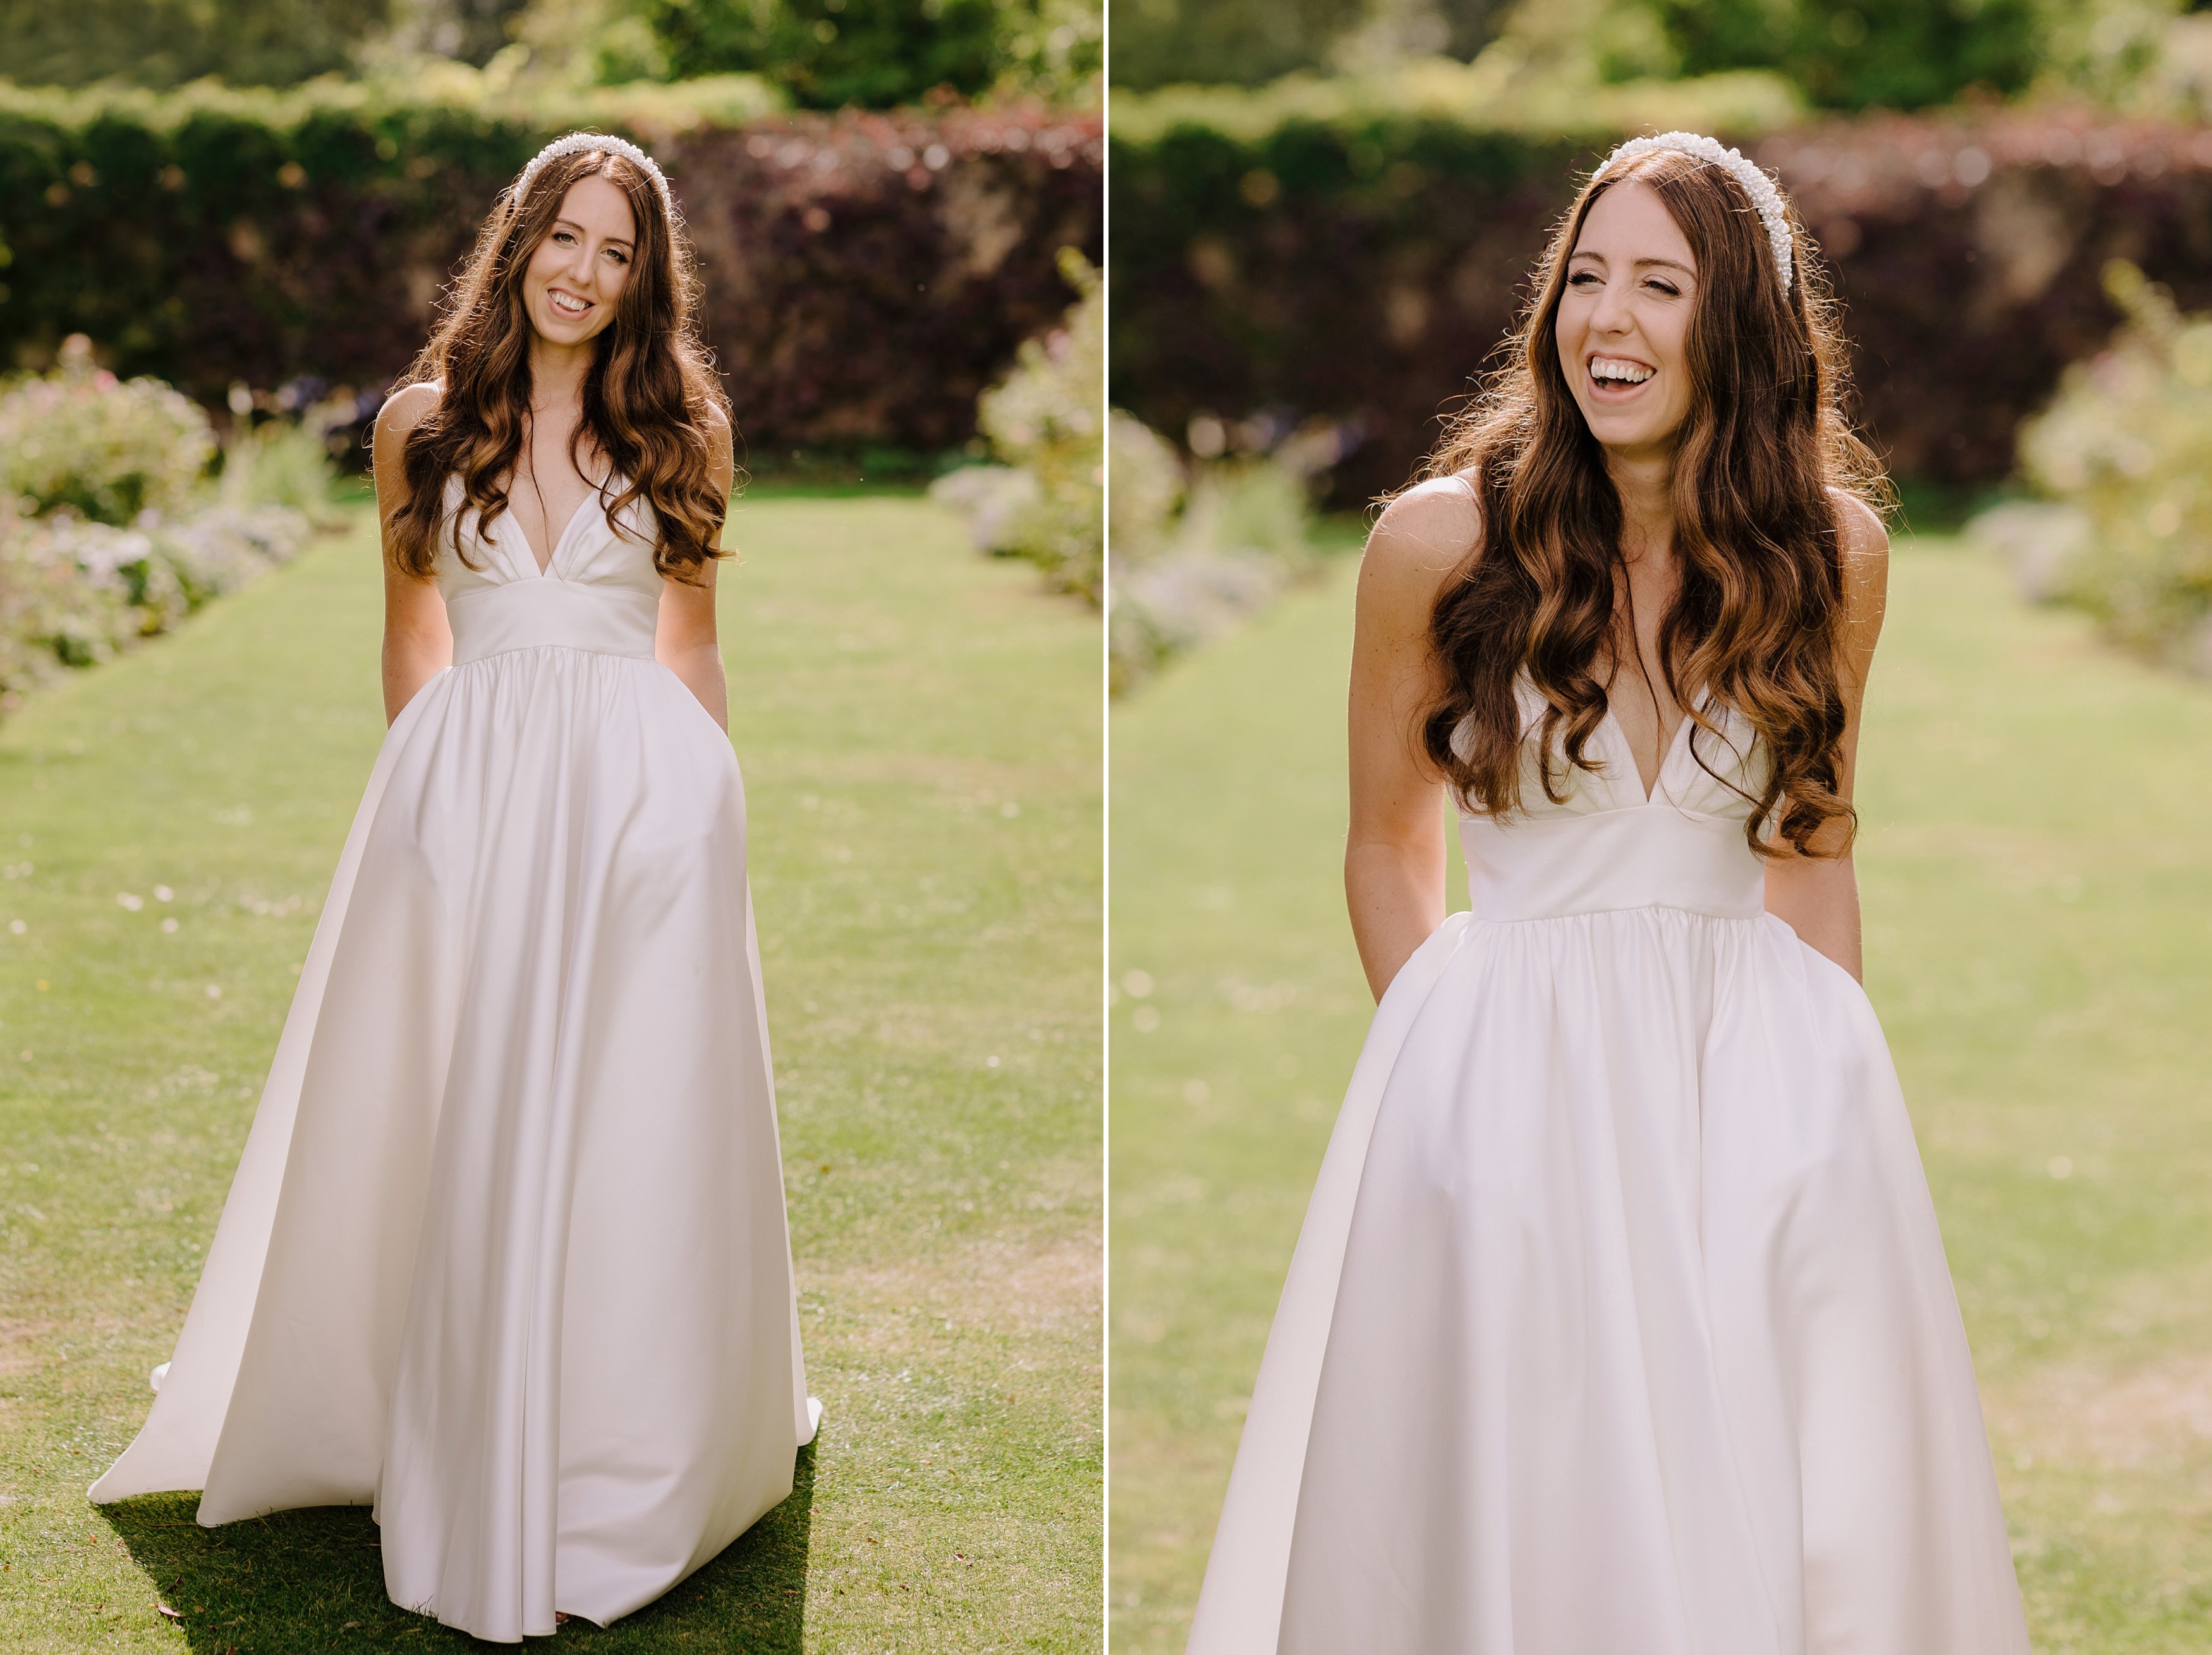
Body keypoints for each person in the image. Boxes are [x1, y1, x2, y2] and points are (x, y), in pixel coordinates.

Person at [1184, 133, 2031, 1654]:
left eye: (1660, 284)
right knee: (1524, 1493)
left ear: (1747, 329)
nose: (1606, 322)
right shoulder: (1437, 543)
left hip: (1752, 1086)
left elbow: (1814, 845)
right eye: (1584, 279)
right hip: (1498, 1090)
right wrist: (1445, 1089)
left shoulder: (1832, 554)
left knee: (1761, 1499)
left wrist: (1831, 1103)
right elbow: (1388, 842)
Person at [90, 133, 818, 1642]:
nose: (585, 272)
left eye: (620, 254)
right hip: (463, 801)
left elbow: (690, 642)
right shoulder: (421, 421)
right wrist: (417, 805)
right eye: (568, 238)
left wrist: (711, 813)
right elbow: (409, 628)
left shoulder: (682, 421)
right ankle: (423, 1400)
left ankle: (620, 1435)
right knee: (447, 1103)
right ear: (520, 239)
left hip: (642, 807)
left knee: (622, 1112)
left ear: (646, 280)